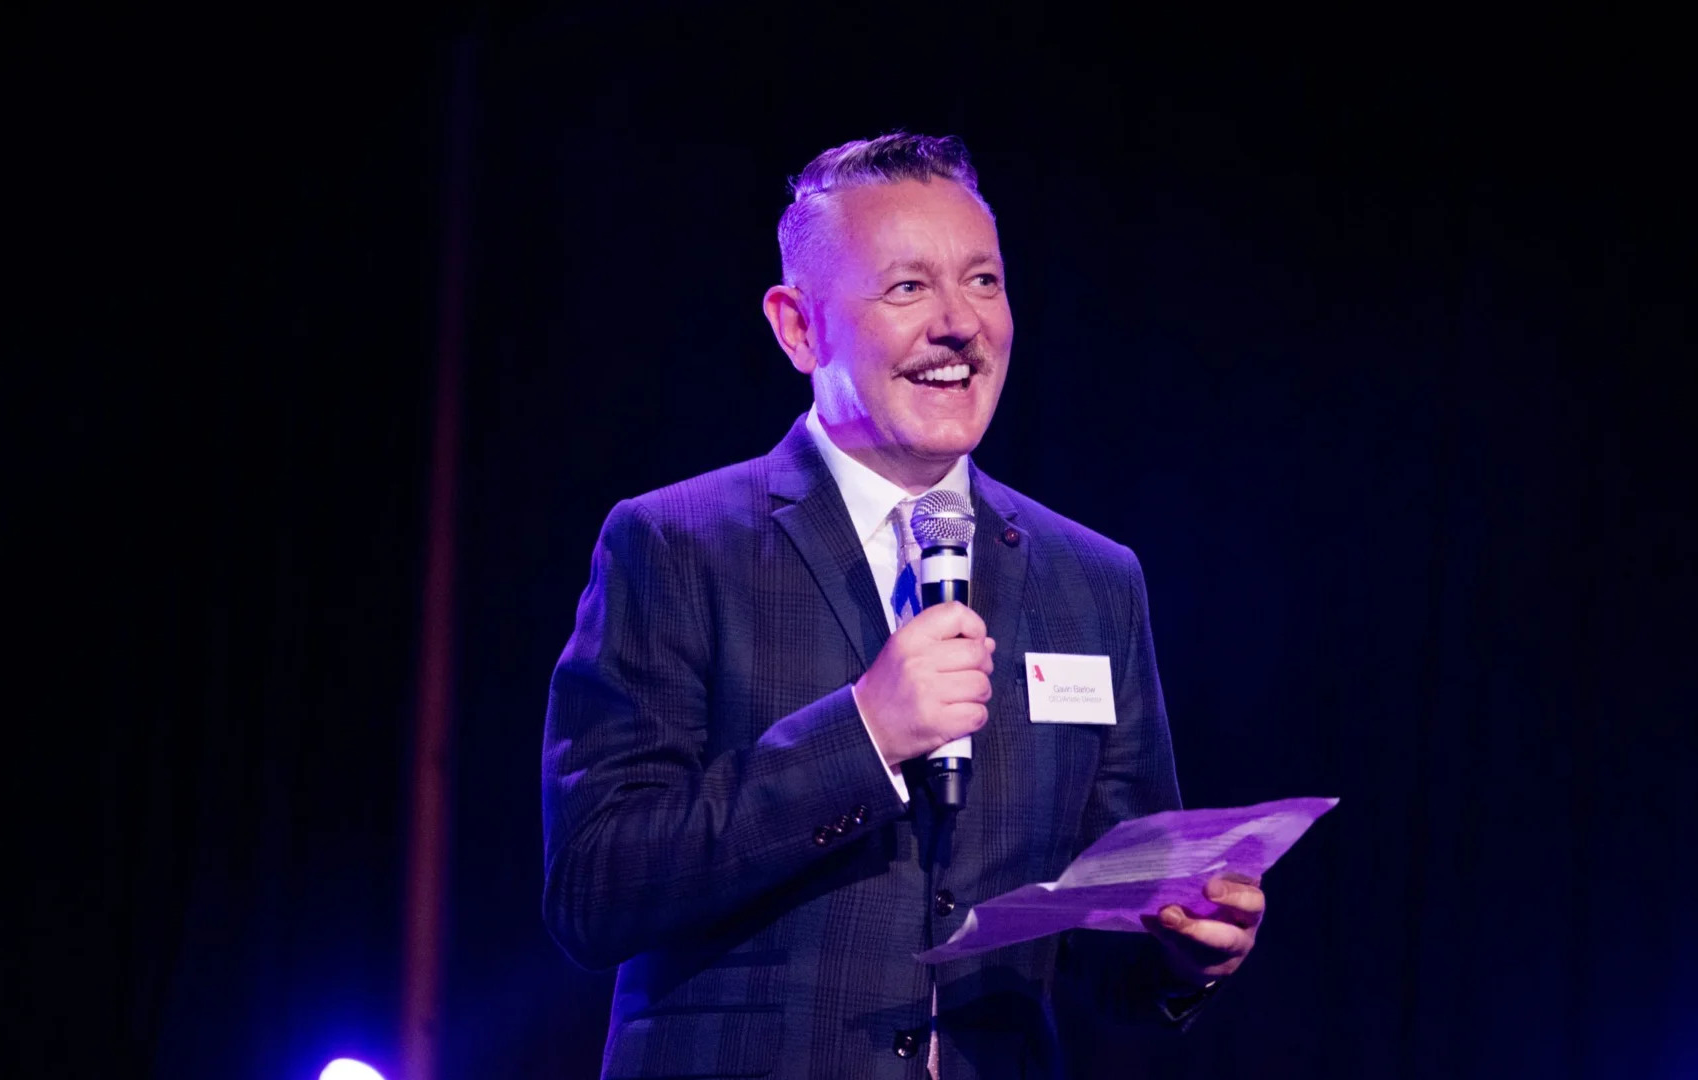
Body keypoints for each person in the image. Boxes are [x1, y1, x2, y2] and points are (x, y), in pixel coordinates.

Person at [542, 133, 1265, 1080]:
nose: (961, 325)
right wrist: (862, 735)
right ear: (799, 328)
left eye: (984, 282)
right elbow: (595, 890)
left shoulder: (1091, 579)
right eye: (908, 288)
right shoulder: (677, 544)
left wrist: (1182, 946)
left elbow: (1107, 944)